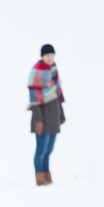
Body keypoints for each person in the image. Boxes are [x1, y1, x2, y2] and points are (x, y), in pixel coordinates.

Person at [27, 43, 66, 186]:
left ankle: (47, 175)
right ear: (42, 57)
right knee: (41, 149)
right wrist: (38, 120)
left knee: (49, 149)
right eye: (47, 55)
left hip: (53, 116)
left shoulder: (54, 71)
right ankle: (40, 178)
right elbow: (34, 99)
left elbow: (57, 95)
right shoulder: (37, 72)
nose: (50, 58)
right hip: (42, 118)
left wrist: (61, 114)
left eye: (52, 55)